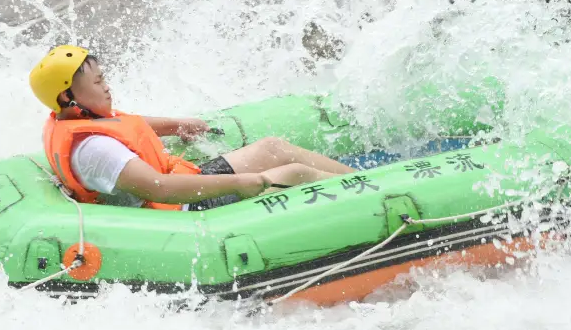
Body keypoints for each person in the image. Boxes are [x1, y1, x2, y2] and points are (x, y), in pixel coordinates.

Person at [29, 45, 355, 211]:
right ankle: (372, 195)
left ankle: (363, 182)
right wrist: (240, 183)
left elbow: (126, 124)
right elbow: (157, 187)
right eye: (99, 82)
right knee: (295, 174)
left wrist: (178, 125)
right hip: (185, 210)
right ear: (67, 96)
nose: (107, 87)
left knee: (274, 149)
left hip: (187, 182)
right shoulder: (95, 151)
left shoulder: (79, 117)